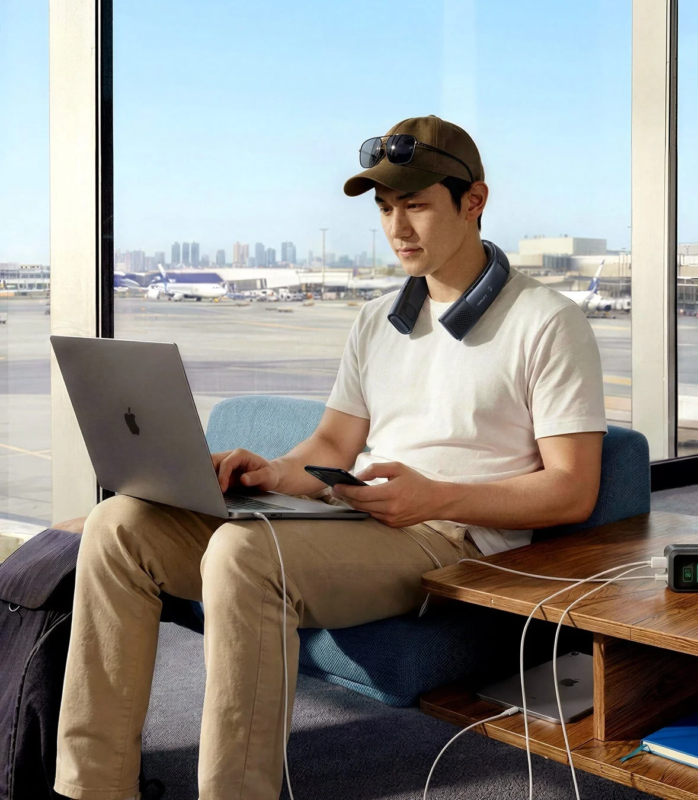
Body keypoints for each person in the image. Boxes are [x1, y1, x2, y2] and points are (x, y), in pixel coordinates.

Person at [54, 114, 607, 800]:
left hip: (448, 539)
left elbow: (572, 490)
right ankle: (93, 789)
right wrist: (267, 471)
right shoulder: (377, 320)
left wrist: (438, 497)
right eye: (385, 208)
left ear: (475, 200)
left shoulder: (548, 322)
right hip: (357, 522)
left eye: (416, 206)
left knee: (241, 554)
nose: (397, 228)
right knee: (119, 528)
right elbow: (331, 448)